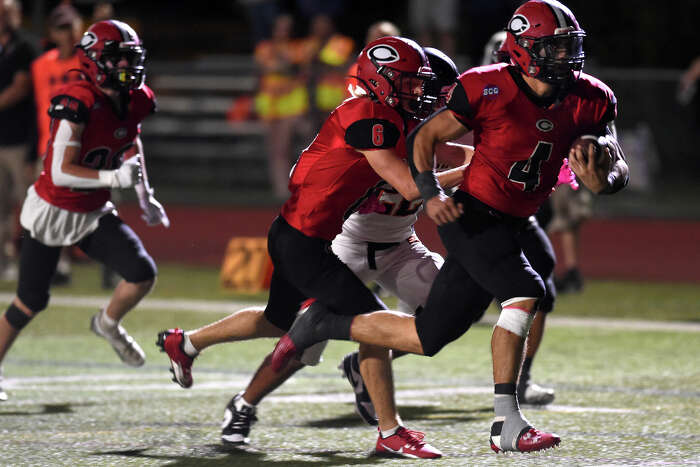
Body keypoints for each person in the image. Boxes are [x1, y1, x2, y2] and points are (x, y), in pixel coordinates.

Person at [270, 0, 629, 454]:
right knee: (526, 289)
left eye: (568, 47)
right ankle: (508, 423)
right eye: (553, 48)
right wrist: (431, 192)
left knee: (429, 335)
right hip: (472, 215)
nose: (565, 58)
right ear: (522, 48)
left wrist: (605, 180)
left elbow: (618, 168)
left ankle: (326, 324)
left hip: (515, 220)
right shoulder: (485, 86)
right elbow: (426, 137)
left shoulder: (592, 96)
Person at [159, 36, 469, 458]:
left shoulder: (400, 120)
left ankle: (190, 342)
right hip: (336, 241)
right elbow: (412, 183)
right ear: (387, 82)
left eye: (428, 89)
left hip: (373, 241)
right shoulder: (373, 119)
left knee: (280, 320)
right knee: (360, 323)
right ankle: (380, 427)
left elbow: (452, 150)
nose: (426, 97)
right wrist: (475, 170)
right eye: (417, 87)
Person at [0, 20, 169, 401]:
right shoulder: (77, 101)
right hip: (54, 209)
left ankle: (107, 323)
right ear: (94, 61)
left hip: (93, 211)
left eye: (130, 57)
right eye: (117, 58)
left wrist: (145, 194)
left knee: (141, 273)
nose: (126, 65)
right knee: (30, 301)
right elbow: (60, 171)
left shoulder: (136, 97)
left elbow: (131, 139)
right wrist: (114, 176)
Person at [30, 3, 86, 287]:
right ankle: (54, 262)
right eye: (61, 28)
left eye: (70, 27)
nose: (67, 34)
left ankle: (68, 261)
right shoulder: (41, 66)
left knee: (73, 207)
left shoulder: (85, 63)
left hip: (79, 146)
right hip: (47, 144)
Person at [252, 14, 310, 200]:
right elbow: (261, 70)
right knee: (275, 148)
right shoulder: (264, 47)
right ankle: (280, 189)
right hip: (269, 101)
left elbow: (295, 68)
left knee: (286, 145)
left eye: (287, 28)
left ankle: (296, 184)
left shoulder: (297, 47)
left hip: (290, 101)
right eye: (280, 27)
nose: (282, 31)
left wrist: (281, 64)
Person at [0, 0, 36, 282]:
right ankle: (4, 260)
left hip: (18, 140)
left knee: (28, 205)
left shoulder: (24, 46)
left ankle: (33, 260)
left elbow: (21, 87)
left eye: (7, 11)